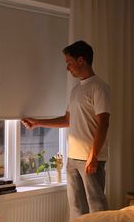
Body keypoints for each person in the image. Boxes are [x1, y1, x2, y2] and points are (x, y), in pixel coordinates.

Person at [22, 40, 110, 221]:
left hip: (91, 158)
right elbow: (66, 120)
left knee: (97, 207)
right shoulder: (76, 90)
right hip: (73, 159)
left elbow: (103, 123)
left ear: (81, 60)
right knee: (76, 208)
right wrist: (37, 123)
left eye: (69, 63)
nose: (67, 68)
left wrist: (93, 156)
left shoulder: (99, 87)